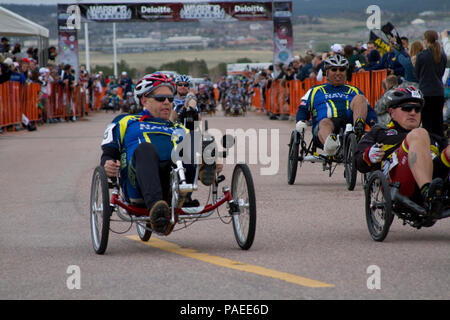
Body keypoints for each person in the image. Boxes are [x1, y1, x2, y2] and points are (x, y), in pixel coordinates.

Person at [101, 73, 188, 234]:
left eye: (170, 98)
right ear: (144, 100)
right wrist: (107, 163)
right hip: (138, 183)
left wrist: (212, 160)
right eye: (161, 98)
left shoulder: (178, 127)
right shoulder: (126, 120)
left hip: (176, 179)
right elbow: (109, 150)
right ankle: (157, 208)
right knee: (146, 148)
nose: (167, 102)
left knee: (196, 139)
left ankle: (185, 194)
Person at [356, 86, 450, 219]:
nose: (413, 112)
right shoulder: (379, 132)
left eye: (417, 109)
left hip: (436, 181)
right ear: (391, 112)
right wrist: (369, 155)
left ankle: (433, 193)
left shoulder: (433, 137)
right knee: (418, 134)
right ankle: (427, 192)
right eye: (406, 108)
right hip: (400, 183)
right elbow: (358, 162)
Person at [295, 55, 378, 156]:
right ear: (327, 72)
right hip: (325, 124)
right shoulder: (315, 91)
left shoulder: (354, 90)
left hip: (349, 123)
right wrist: (301, 121)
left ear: (346, 72)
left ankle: (358, 128)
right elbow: (303, 109)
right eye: (334, 70)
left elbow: (368, 110)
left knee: (360, 98)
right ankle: (331, 145)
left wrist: (374, 124)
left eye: (342, 70)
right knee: (325, 122)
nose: (338, 73)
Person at [414, 30, 447, 137]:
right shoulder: (442, 55)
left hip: (426, 92)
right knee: (438, 122)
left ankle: (431, 146)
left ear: (426, 40)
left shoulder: (422, 56)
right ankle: (441, 145)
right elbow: (441, 72)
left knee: (428, 123)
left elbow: (417, 74)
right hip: (439, 92)